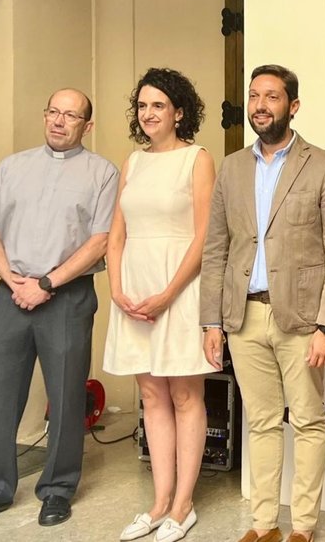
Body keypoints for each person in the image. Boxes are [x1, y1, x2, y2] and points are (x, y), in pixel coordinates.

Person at [0, 89, 118, 529]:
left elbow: (100, 240)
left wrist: (47, 283)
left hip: (67, 297)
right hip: (12, 295)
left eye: (71, 115)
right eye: (53, 112)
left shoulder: (103, 173)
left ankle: (58, 490)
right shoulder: (13, 166)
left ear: (88, 125)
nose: (59, 121)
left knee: (65, 398)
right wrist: (14, 281)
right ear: (44, 115)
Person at [200, 64, 325, 542]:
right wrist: (212, 321)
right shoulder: (233, 167)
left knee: (306, 421)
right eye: (254, 96)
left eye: (272, 97)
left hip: (301, 319)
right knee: (261, 423)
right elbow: (216, 248)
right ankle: (264, 525)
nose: (260, 105)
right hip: (243, 317)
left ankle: (302, 526)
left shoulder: (324, 166)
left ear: (293, 106)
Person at [103, 68, 216, 542]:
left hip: (179, 289)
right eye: (143, 106)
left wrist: (169, 293)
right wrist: (116, 288)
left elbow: (206, 235)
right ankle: (158, 502)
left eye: (158, 106)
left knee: (186, 395)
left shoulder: (198, 158)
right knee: (150, 395)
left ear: (179, 112)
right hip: (132, 291)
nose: (148, 114)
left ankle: (183, 506)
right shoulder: (132, 161)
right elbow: (116, 235)